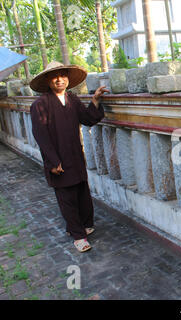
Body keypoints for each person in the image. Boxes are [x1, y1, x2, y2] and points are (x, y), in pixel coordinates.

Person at [29, 61, 109, 252]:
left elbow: (88, 119)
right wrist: (52, 161)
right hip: (58, 159)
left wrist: (96, 100)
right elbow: (41, 136)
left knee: (82, 191)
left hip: (75, 155)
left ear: (67, 79)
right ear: (48, 81)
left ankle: (84, 225)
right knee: (67, 197)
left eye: (63, 75)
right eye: (55, 77)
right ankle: (78, 235)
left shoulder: (72, 99)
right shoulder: (40, 104)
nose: (59, 80)